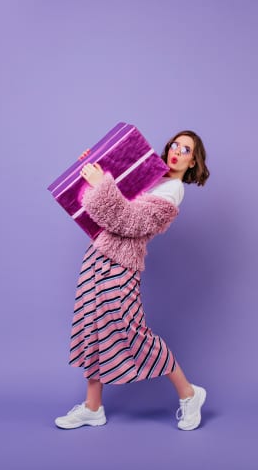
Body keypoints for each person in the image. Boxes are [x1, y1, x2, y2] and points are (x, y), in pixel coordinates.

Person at [55, 130, 210, 431]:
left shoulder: (173, 191)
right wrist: (92, 169)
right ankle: (92, 407)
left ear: (193, 162)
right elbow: (104, 201)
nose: (177, 151)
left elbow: (128, 220)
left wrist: (101, 185)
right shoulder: (150, 174)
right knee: (93, 325)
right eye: (174, 145)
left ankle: (189, 393)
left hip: (121, 262)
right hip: (98, 253)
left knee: (131, 331)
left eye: (186, 150)